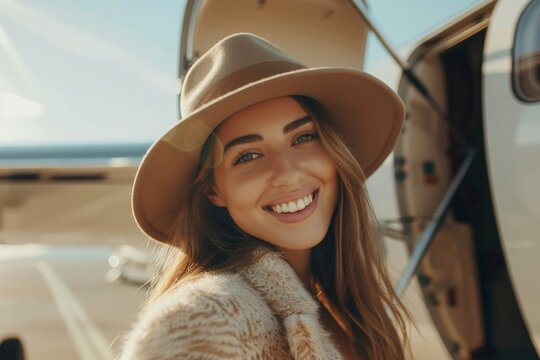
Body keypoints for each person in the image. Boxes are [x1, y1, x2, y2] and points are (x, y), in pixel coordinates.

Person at [118, 33, 412, 360]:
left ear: (334, 151)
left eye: (303, 137)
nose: (288, 173)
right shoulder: (206, 319)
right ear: (213, 190)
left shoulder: (352, 319)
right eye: (248, 156)